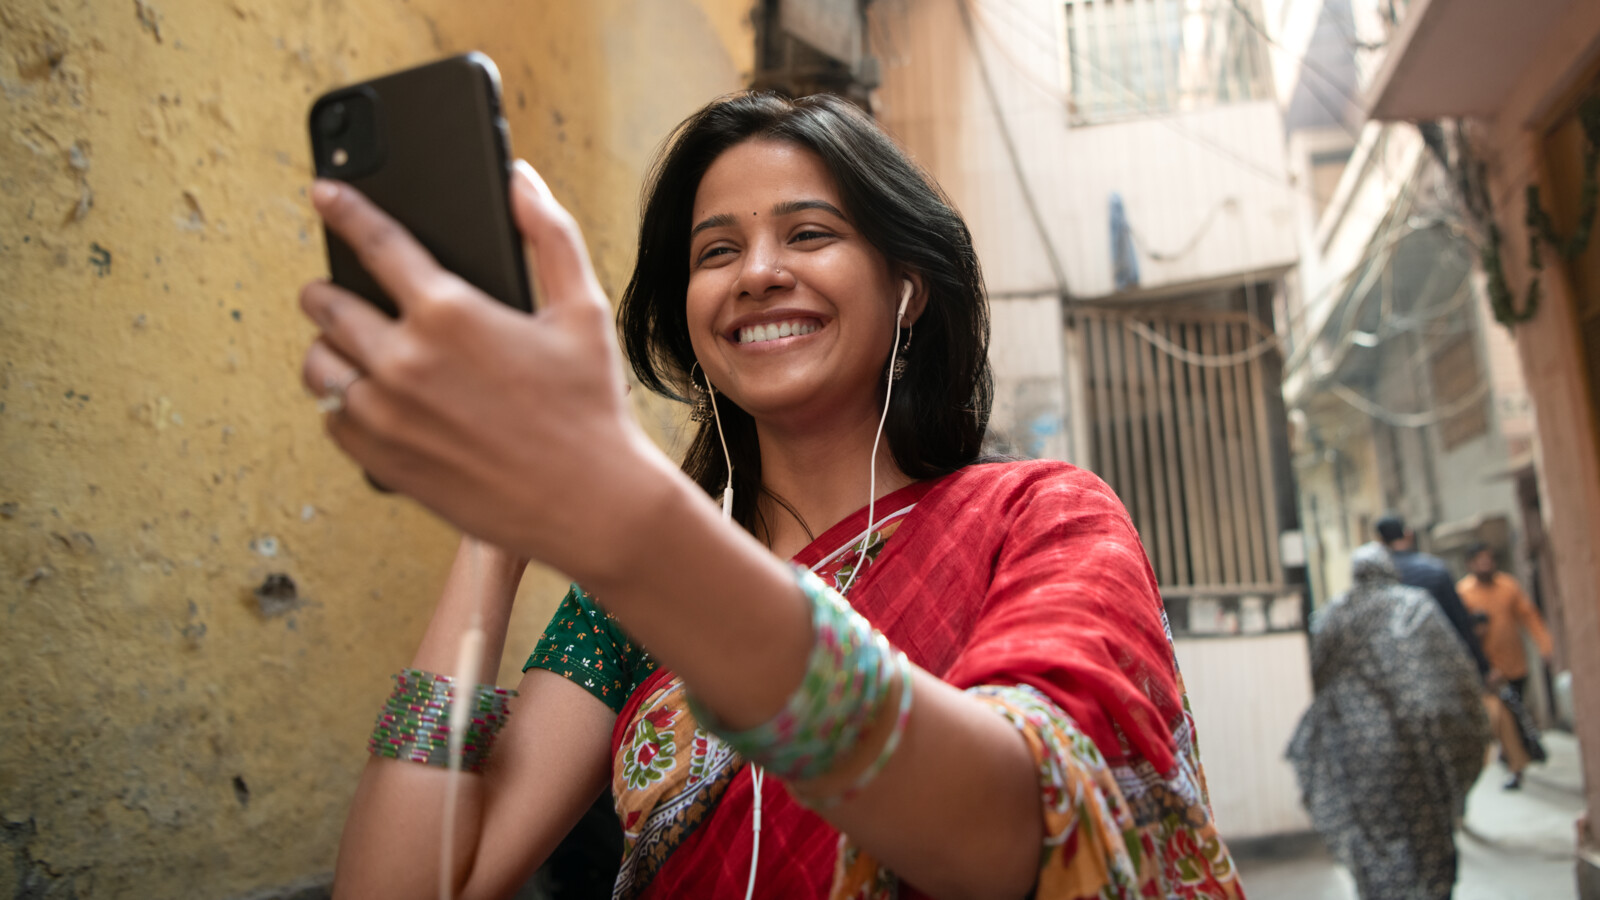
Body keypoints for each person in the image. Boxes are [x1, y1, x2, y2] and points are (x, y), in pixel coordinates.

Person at [298, 92, 1242, 899]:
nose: (756, 274)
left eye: (809, 234)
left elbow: (1019, 829)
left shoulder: (1041, 517)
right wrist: (494, 524)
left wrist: (627, 520)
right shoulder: (629, 603)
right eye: (716, 251)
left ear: (908, 289)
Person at [1288, 543, 1489, 900]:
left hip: (1359, 748)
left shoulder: (1334, 614)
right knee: (1428, 827)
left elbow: (1318, 676)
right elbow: (1456, 674)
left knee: (1374, 833)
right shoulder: (1417, 607)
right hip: (1419, 742)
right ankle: (1433, 889)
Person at [1458, 542, 1555, 789]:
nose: (1486, 565)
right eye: (1480, 561)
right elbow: (1463, 632)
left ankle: (1516, 756)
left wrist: (1544, 645)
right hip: (1488, 671)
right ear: (1471, 565)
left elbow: (1528, 615)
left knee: (1516, 714)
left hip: (1515, 664)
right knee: (1503, 719)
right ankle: (1515, 766)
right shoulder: (1465, 592)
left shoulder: (1508, 586)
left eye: (1488, 560)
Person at [1375, 514, 1491, 677]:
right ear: (1408, 534)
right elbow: (1460, 623)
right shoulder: (1435, 570)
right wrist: (1483, 668)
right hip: (1442, 666)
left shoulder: (1379, 581)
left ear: (1380, 541)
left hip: (1402, 672)